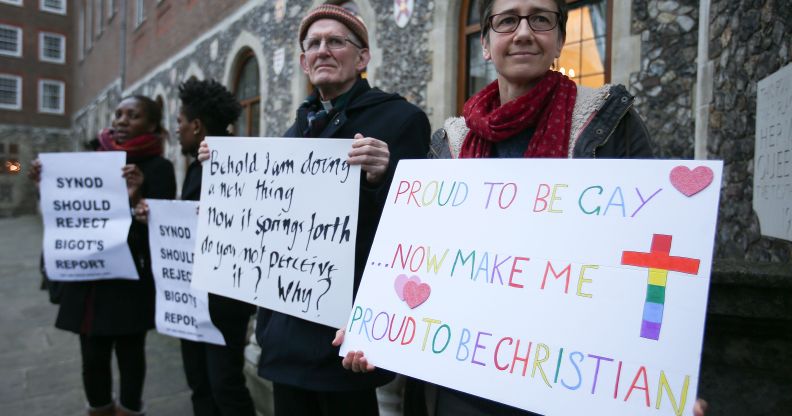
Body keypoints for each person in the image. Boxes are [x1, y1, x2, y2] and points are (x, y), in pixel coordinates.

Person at [336, 0, 709, 414]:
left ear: (560, 40)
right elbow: (422, 252)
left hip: (568, 381)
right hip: (460, 380)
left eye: (541, 19)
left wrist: (668, 375)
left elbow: (654, 250)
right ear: (486, 43)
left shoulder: (609, 124)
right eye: (508, 20)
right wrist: (376, 327)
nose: (524, 32)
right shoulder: (450, 142)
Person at [197, 3, 430, 414]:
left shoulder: (400, 119)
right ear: (304, 63)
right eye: (314, 44)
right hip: (285, 331)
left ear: (362, 58)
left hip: (343, 334)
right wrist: (221, 169)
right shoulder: (293, 132)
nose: (323, 50)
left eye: (336, 41)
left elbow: (414, 227)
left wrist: (386, 173)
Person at [30, 95, 176, 416]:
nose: (121, 121)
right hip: (89, 282)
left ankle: (129, 408)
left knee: (130, 355)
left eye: (133, 115)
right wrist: (48, 185)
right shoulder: (90, 160)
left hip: (129, 284)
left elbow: (162, 232)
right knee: (92, 358)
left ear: (151, 125)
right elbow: (69, 213)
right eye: (119, 114)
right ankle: (98, 408)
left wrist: (137, 195)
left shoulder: (159, 168)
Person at [134, 78, 256, 416]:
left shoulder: (238, 163)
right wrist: (155, 216)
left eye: (180, 123)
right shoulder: (197, 165)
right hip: (194, 297)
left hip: (223, 304)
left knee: (224, 385)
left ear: (197, 126)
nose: (177, 131)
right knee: (200, 381)